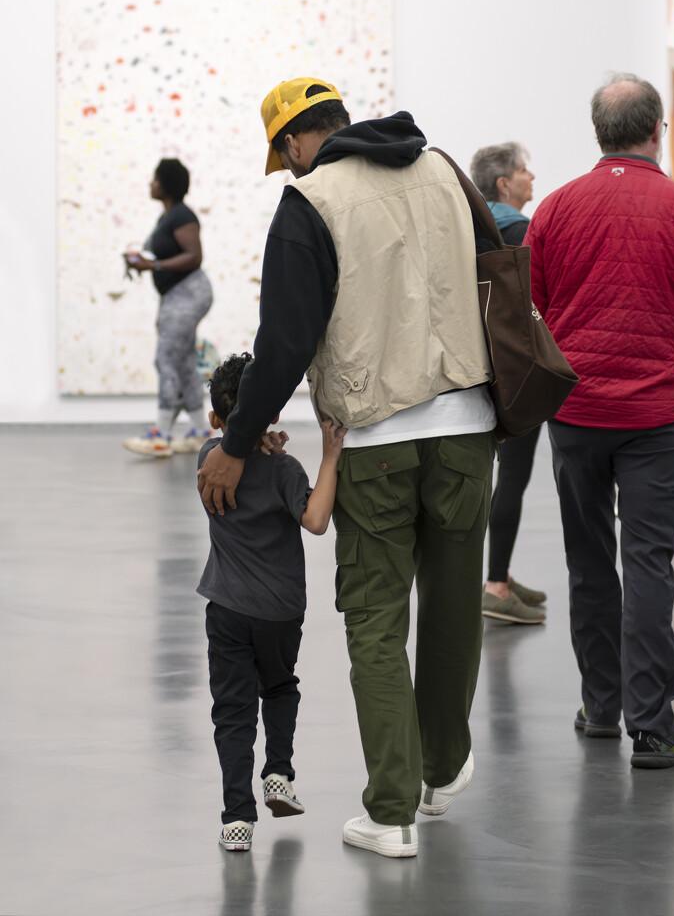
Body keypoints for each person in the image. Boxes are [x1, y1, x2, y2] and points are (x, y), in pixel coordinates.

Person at [197, 77, 496, 858]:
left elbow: (284, 340)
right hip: (468, 425)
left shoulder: (310, 202)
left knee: (374, 618)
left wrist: (235, 444)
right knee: (454, 605)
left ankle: (391, 810)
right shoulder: (442, 169)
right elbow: (498, 274)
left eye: (284, 154)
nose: (289, 168)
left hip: (375, 438)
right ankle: (442, 764)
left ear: (297, 140)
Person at [525, 74, 674, 768]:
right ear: (656, 131)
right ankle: (651, 725)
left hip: (576, 415)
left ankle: (600, 705)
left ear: (598, 132)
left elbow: (533, 315)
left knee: (587, 563)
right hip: (654, 418)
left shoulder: (554, 210)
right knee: (647, 563)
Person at [198, 351, 346, 852]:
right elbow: (317, 520)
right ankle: (278, 773)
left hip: (227, 609)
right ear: (275, 413)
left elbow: (232, 448)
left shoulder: (207, 462)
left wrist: (253, 439)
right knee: (279, 688)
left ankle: (237, 819)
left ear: (217, 419)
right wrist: (330, 456)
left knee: (233, 711)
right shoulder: (286, 471)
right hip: (281, 611)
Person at [470, 143, 546, 625]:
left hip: (487, 367)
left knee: (503, 476)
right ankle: (495, 584)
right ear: (504, 183)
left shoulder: (476, 227)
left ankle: (500, 572)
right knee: (513, 478)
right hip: (521, 370)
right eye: (523, 171)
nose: (531, 177)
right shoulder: (519, 232)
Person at [123, 158, 213, 458]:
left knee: (165, 359)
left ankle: (161, 434)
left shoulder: (182, 216)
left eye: (154, 178)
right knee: (184, 362)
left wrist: (154, 264)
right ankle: (201, 431)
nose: (150, 183)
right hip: (176, 296)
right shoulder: (168, 217)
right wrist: (141, 260)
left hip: (188, 293)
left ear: (165, 184)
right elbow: (161, 256)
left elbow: (194, 256)